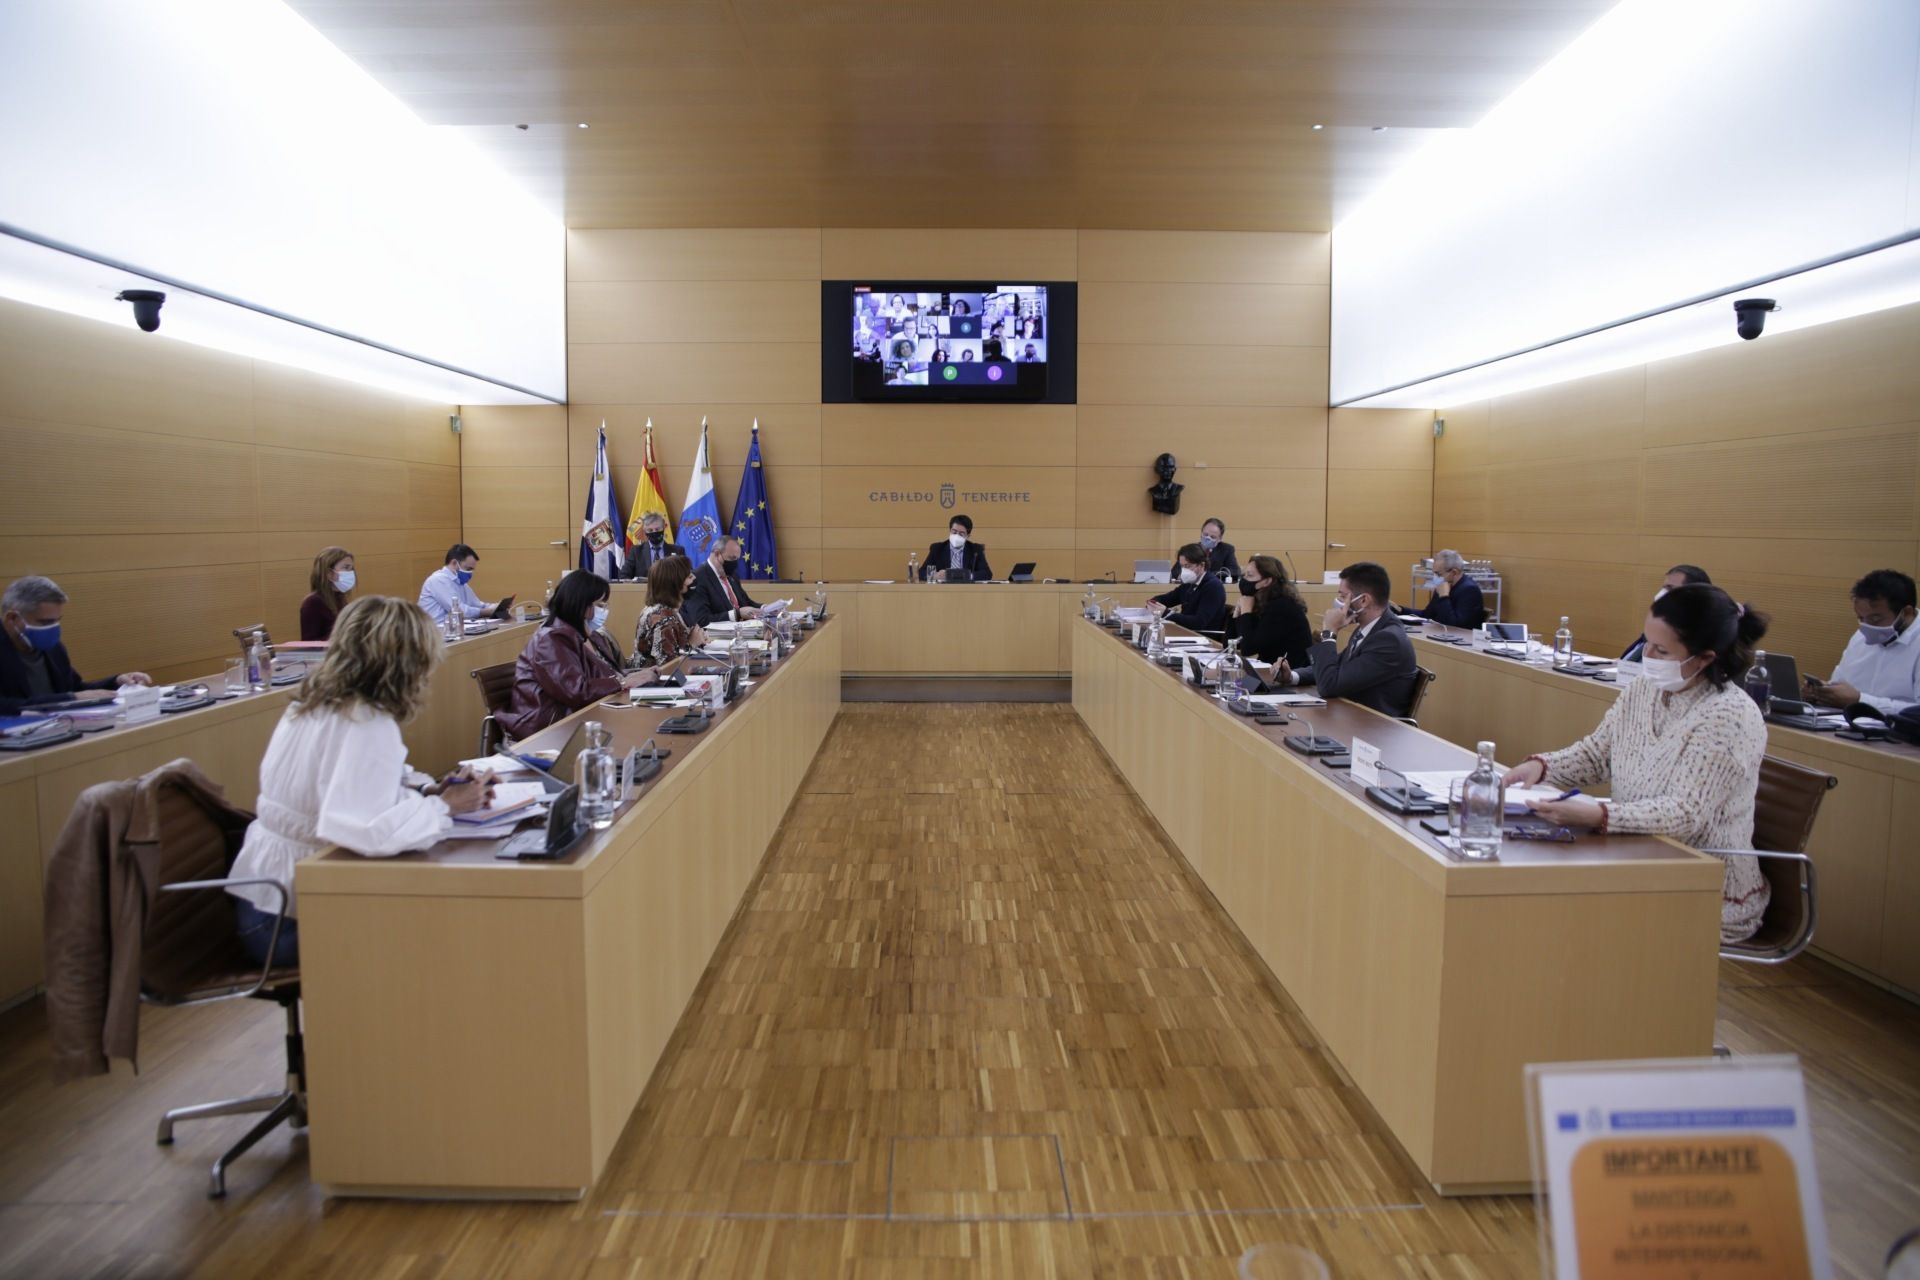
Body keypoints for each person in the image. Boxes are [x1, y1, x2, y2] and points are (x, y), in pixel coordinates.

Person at [225, 596, 496, 965]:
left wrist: (427, 789)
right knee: (443, 930)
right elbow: (368, 831)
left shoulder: (316, 702)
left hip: (262, 898)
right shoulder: (365, 722)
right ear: (406, 663)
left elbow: (360, 785)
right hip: (286, 919)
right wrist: (443, 806)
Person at [1502, 585, 1772, 943]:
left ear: (1705, 658)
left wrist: (1601, 817)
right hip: (1636, 856)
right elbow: (1598, 753)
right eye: (1647, 643)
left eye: (1661, 650)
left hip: (1707, 888)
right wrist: (1542, 767)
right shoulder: (1645, 689)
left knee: (1558, 914)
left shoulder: (1730, 716)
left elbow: (1685, 814)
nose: (1648, 656)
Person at [500, 571, 657, 740]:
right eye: (599, 604)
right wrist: (623, 682)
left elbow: (605, 675)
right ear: (581, 605)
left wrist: (637, 675)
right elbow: (575, 691)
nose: (604, 610)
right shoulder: (550, 640)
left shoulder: (591, 635)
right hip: (550, 728)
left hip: (586, 715)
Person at [1274, 562, 1418, 717]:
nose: (1339, 603)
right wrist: (1292, 677)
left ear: (1363, 600)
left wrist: (1329, 632)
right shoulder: (1368, 628)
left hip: (1372, 727)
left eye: (1343, 596)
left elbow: (1329, 685)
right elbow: (1337, 668)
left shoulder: (1389, 640)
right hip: (1349, 715)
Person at [0, 575, 150, 712]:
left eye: (58, 620)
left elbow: (75, 689)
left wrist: (117, 682)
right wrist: (70, 699)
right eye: (46, 622)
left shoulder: (54, 648)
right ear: (12, 618)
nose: (53, 628)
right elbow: (5, 705)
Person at [1805, 569, 1920, 715]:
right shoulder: (1860, 637)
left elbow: (1917, 712)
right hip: (1846, 725)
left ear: (1907, 613)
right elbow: (1839, 683)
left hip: (1901, 733)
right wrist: (1823, 693)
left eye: (1875, 619)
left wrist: (1860, 700)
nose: (1866, 626)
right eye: (1860, 618)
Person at [1229, 555, 1313, 667]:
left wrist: (1246, 613)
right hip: (1268, 669)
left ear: (1267, 581)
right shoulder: (1259, 601)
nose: (1244, 580)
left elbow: (1247, 649)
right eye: (1243, 575)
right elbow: (1229, 645)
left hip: (1289, 674)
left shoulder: (1281, 606)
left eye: (1250, 575)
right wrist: (1236, 614)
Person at [1621, 564, 1711, 661]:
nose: (1662, 593)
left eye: (1670, 588)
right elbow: (1629, 660)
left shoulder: (1695, 638)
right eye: (1664, 588)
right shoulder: (1659, 628)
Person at [633, 555, 708, 667]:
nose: (694, 579)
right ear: (675, 583)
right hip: (656, 682)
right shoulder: (663, 619)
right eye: (689, 577)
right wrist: (691, 645)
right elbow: (666, 667)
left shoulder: (669, 610)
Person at [684, 536, 766, 626]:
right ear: (717, 554)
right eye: (732, 558)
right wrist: (736, 614)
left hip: (742, 630)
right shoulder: (697, 578)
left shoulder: (732, 575)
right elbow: (701, 619)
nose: (734, 564)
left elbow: (745, 602)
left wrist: (766, 608)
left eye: (737, 559)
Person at [1149, 544, 1228, 631]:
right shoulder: (1189, 583)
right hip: (1186, 632)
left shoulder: (1213, 587)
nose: (1184, 570)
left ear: (1201, 565)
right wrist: (1153, 603)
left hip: (1204, 637)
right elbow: (1168, 598)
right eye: (1182, 566)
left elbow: (1198, 623)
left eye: (1187, 566)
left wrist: (1166, 613)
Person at [417, 543, 498, 625]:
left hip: (452, 629)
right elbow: (459, 611)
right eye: (468, 569)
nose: (470, 573)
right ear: (454, 563)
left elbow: (479, 605)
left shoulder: (460, 583)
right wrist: (486, 612)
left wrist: (497, 607)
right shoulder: (438, 580)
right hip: (434, 631)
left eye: (472, 569)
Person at [1416, 549, 1487, 629]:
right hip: (1440, 634)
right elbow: (1427, 615)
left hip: (1462, 637)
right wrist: (1401, 610)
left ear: (1454, 572)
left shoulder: (1469, 590)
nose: (1435, 578)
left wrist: (1444, 597)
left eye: (1438, 574)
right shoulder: (1443, 586)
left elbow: (1454, 625)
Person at [299, 547, 356, 641]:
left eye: (351, 568)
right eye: (346, 568)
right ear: (329, 573)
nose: (351, 573)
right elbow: (309, 645)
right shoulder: (313, 602)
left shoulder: (340, 597)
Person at [920, 515, 992, 582]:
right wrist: (934, 576)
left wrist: (966, 576)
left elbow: (987, 574)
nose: (957, 536)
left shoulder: (975, 549)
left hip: (968, 591)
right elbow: (921, 572)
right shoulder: (937, 548)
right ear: (950, 530)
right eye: (954, 532)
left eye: (961, 533)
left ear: (968, 536)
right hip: (942, 591)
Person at [623, 512, 686, 581]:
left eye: (657, 529)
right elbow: (624, 575)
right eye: (650, 530)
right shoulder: (636, 551)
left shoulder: (678, 551)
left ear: (664, 527)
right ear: (644, 531)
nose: (654, 532)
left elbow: (686, 575)